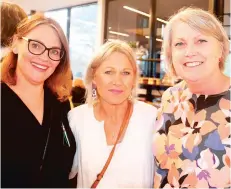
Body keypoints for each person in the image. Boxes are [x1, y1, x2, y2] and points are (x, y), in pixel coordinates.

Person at [153, 7, 230, 188]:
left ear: (221, 49)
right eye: (180, 44)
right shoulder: (170, 98)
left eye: (201, 40)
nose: (189, 52)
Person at [68, 40, 157, 188]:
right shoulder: (77, 119)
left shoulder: (151, 118)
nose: (117, 81)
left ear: (134, 79)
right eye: (109, 72)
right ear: (94, 76)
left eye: (126, 73)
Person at [1, 13, 76, 188]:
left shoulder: (60, 103)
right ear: (15, 44)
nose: (44, 57)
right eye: (35, 45)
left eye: (54, 51)